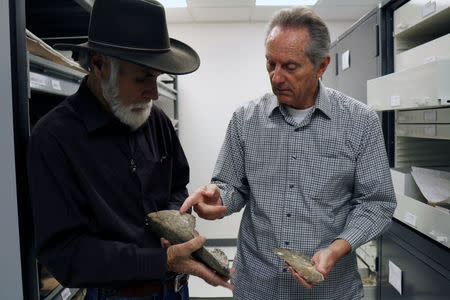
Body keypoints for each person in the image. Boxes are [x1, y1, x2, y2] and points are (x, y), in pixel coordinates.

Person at [180, 6, 396, 300]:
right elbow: (233, 187)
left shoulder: (360, 122)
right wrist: (219, 198)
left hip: (330, 291)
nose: (276, 77)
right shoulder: (246, 119)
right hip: (257, 286)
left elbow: (377, 203)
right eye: (271, 64)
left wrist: (338, 247)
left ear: (321, 66)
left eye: (290, 67)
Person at [27, 0, 233, 299]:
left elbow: (176, 184)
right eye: (142, 77)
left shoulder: (156, 119)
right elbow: (65, 253)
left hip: (175, 290)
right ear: (99, 65)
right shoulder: (54, 139)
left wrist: (174, 224)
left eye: (157, 78)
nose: (153, 91)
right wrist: (160, 261)